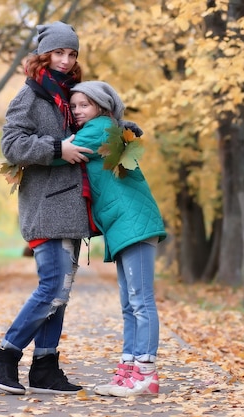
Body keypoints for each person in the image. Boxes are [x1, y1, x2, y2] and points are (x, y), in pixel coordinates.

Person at [0, 21, 94, 395]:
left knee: (60, 293)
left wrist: (122, 127)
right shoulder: (30, 95)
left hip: (71, 208)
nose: (66, 59)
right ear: (44, 55)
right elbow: (12, 144)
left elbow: (92, 124)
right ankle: (3, 360)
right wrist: (56, 148)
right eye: (59, 52)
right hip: (46, 207)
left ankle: (45, 368)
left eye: (72, 53)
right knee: (52, 288)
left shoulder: (69, 94)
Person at [67, 81, 167, 396]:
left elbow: (58, 156)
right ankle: (128, 370)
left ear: (100, 105)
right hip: (123, 225)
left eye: (84, 104)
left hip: (133, 223)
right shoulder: (107, 128)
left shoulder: (99, 128)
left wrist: (58, 144)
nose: (78, 111)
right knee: (129, 302)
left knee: (140, 300)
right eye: (74, 106)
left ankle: (146, 374)